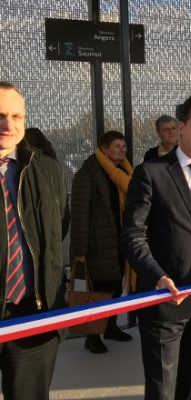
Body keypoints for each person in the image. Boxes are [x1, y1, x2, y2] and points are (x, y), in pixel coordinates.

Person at [121, 94, 191, 399]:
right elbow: (132, 236)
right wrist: (157, 275)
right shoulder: (151, 172)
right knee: (162, 390)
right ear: (181, 126)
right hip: (163, 300)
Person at [0, 81, 69, 399]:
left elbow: (60, 227)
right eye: (0, 115)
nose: (8, 124)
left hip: (34, 312)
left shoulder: (48, 169)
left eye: (17, 116)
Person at [71, 130, 134, 354]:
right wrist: (80, 250)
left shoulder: (122, 172)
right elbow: (79, 214)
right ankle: (92, 335)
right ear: (104, 148)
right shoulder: (87, 174)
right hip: (97, 244)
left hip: (119, 241)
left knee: (116, 287)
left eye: (124, 146)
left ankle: (111, 327)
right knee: (98, 291)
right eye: (117, 146)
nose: (122, 150)